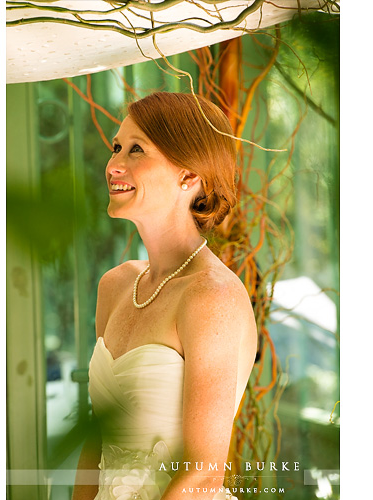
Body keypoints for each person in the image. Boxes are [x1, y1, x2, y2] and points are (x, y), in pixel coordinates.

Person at [73, 92, 257, 500]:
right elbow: (95, 441)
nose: (114, 165)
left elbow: (204, 474)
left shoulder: (213, 297)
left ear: (189, 176)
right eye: (116, 147)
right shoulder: (116, 285)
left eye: (137, 149)